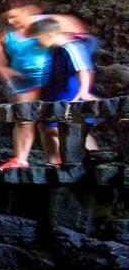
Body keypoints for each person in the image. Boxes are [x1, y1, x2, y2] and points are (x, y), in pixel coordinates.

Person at [0, 0, 88, 169]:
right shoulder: (0, 37)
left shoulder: (47, 23)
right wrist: (10, 78)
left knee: (55, 123)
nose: (11, 22)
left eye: (15, 16)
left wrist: (83, 84)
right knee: (24, 118)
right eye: (6, 19)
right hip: (24, 82)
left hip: (53, 79)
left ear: (30, 11)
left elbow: (78, 38)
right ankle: (21, 159)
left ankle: (63, 159)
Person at [32, 18, 98, 165]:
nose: (37, 42)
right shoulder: (57, 50)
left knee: (78, 130)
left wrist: (84, 91)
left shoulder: (72, 47)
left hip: (72, 94)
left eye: (38, 38)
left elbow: (84, 69)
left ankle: (95, 161)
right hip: (57, 94)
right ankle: (53, 162)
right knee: (46, 127)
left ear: (48, 35)